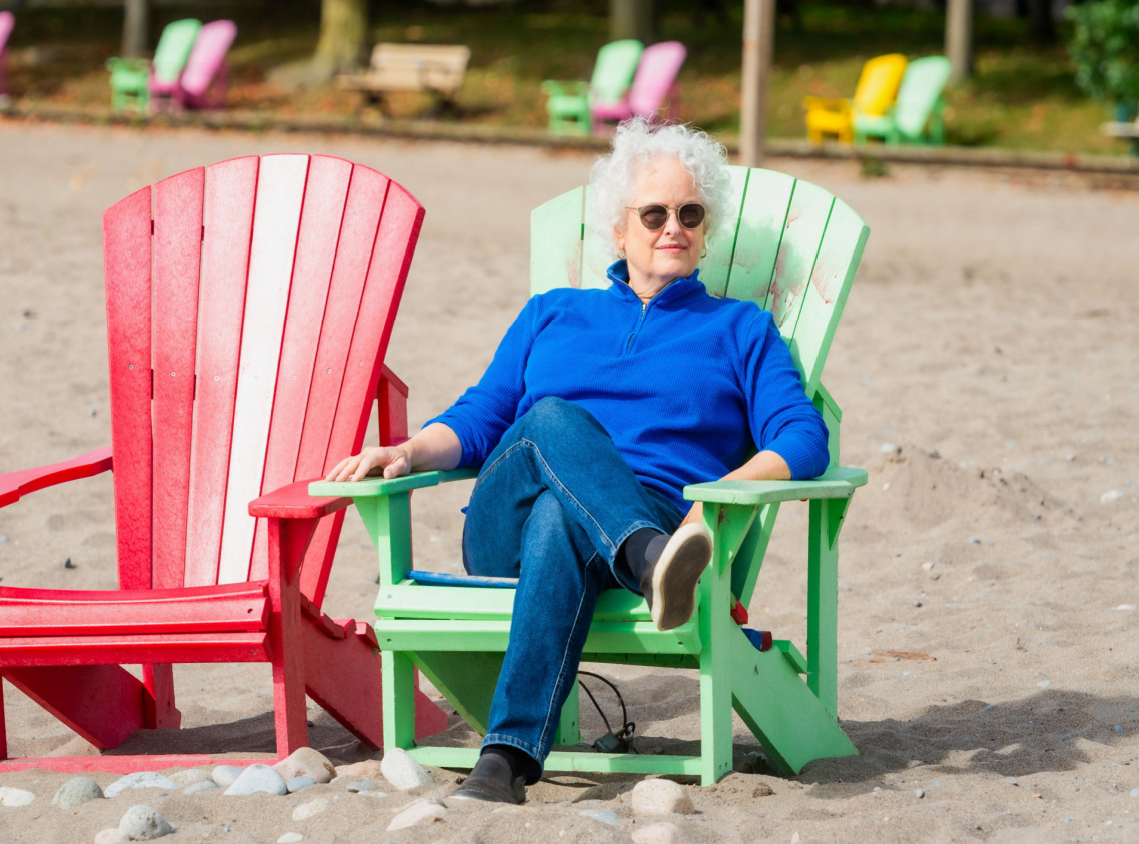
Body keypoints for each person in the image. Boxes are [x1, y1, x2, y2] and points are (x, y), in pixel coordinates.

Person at [324, 118, 830, 804]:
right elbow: (480, 421)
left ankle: (504, 760)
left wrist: (718, 494)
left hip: (648, 515)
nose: (672, 227)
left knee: (563, 515)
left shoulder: (740, 331)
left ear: (706, 229)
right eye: (653, 213)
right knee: (550, 423)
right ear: (619, 232)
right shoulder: (552, 313)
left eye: (690, 213)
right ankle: (650, 563)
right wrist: (408, 450)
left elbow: (802, 437)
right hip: (514, 526)